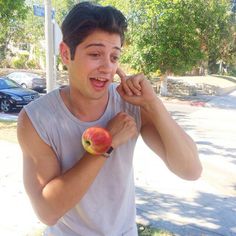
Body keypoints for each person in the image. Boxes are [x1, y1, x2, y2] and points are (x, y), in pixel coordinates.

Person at [17, 2, 202, 236]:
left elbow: (191, 170)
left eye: (114, 57)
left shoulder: (130, 105)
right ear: (66, 53)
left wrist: (153, 104)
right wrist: (106, 142)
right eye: (95, 54)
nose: (107, 67)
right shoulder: (36, 119)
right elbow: (47, 211)